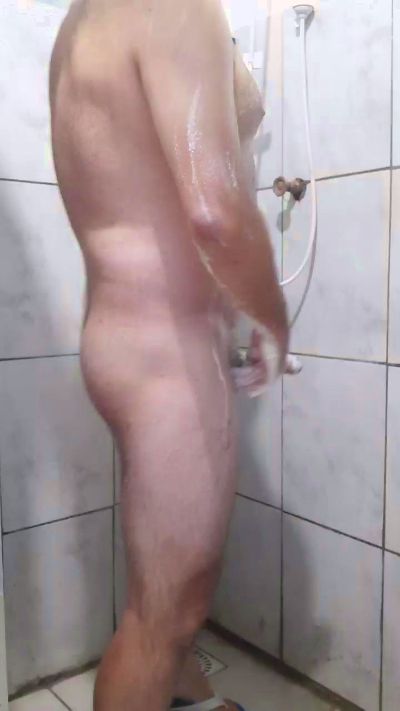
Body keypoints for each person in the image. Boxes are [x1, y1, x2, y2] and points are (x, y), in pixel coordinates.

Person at [50, 1, 289, 709]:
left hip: (123, 338)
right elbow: (214, 210)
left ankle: (188, 696)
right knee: (165, 617)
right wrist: (272, 319)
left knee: (162, 582)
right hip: (167, 357)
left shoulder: (85, 23)